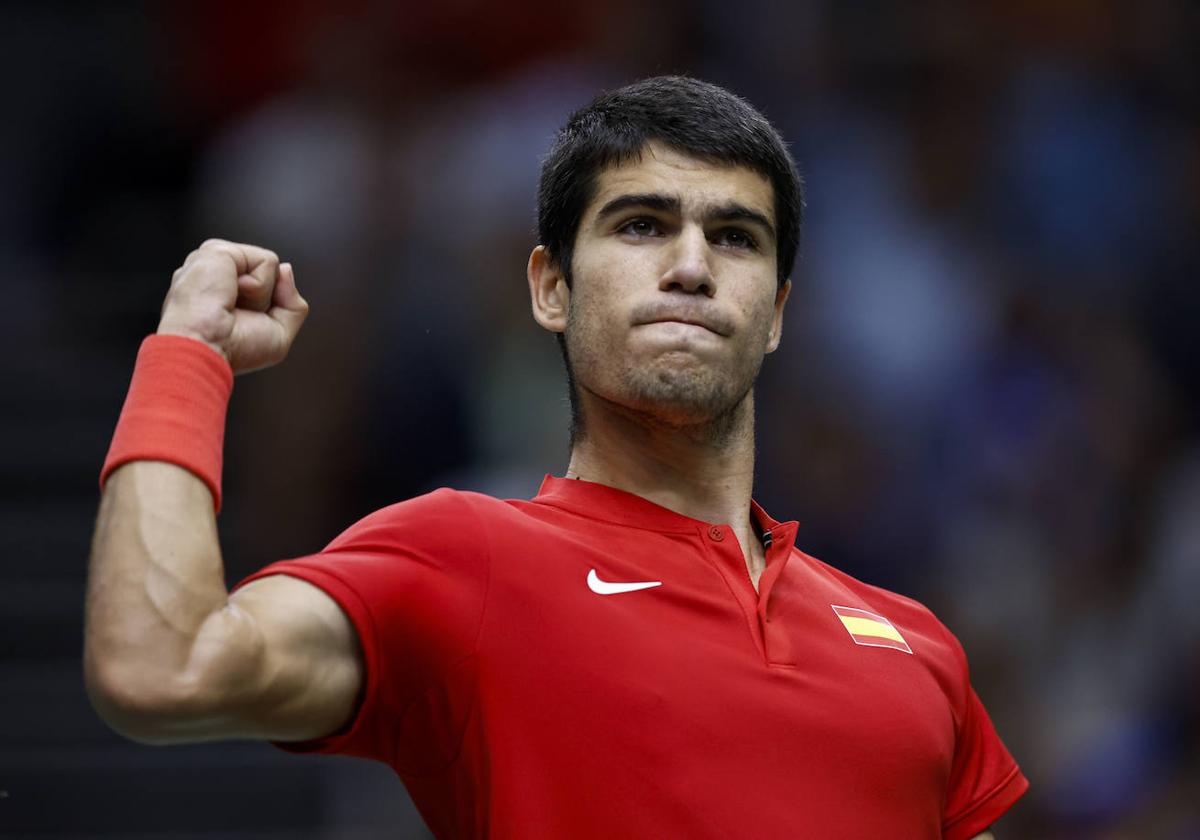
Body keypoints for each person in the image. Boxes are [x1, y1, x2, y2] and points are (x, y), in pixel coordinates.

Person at [85, 76, 1027, 838]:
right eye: (642, 225)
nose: (692, 265)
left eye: (735, 237)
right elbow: (161, 667)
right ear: (550, 289)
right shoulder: (462, 558)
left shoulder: (918, 647)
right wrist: (185, 360)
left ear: (776, 314)